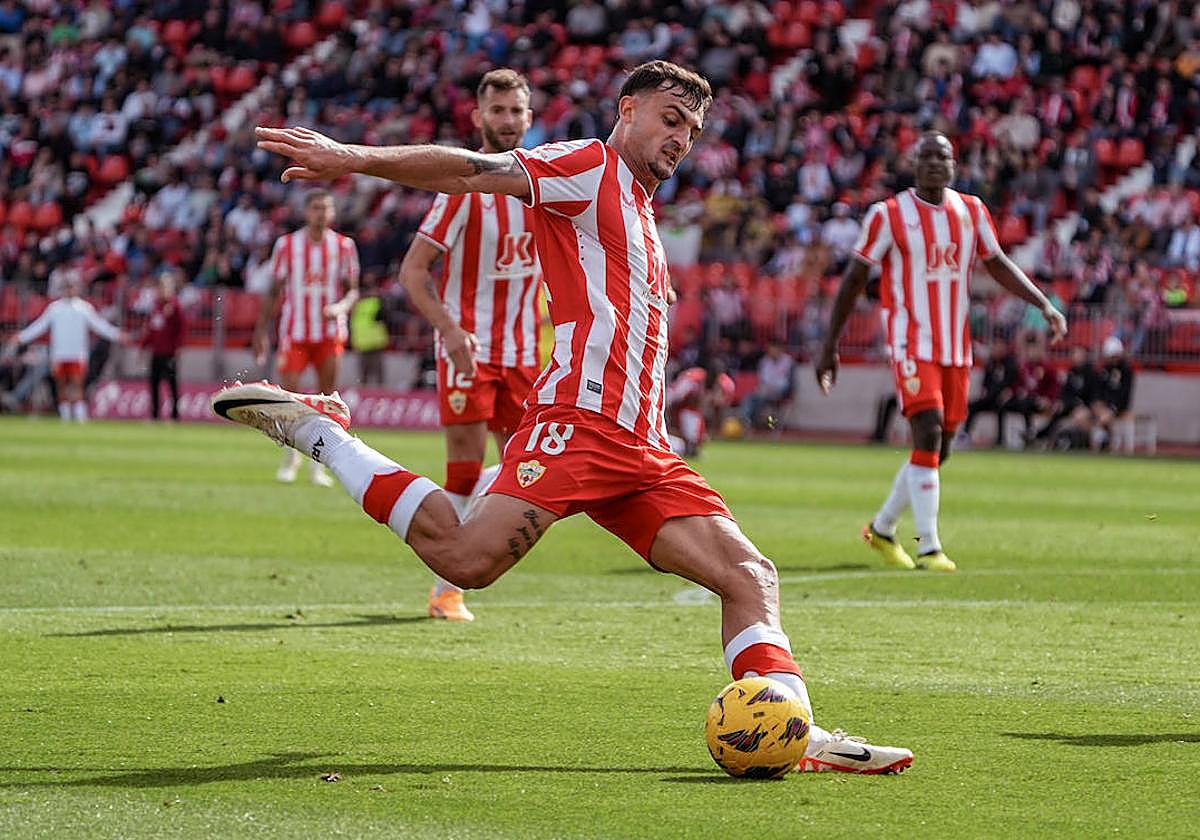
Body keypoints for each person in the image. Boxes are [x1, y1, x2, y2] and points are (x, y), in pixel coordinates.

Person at [222, 60, 913, 774]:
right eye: (669, 120)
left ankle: (796, 732)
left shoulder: (644, 214)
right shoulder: (588, 166)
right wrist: (352, 158)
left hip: (644, 448)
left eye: (693, 131)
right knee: (466, 559)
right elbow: (470, 170)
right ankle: (318, 432)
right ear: (627, 110)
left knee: (749, 574)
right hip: (578, 425)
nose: (681, 139)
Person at [816, 131, 1067, 573]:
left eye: (943, 156)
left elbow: (997, 263)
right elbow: (855, 278)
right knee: (928, 432)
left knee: (938, 448)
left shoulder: (971, 210)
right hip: (911, 340)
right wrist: (829, 345)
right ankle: (930, 548)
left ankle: (882, 528)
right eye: (926, 156)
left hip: (955, 344)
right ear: (914, 164)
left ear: (954, 165)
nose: (934, 163)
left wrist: (1042, 303)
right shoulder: (888, 214)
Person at [398, 68, 544, 623]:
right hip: (469, 351)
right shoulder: (463, 187)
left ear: (528, 118)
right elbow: (413, 272)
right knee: (464, 468)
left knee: (523, 467)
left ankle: (442, 540)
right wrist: (451, 331)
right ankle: (445, 590)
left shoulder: (542, 186)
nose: (507, 121)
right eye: (497, 111)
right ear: (478, 117)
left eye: (516, 111)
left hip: (525, 352)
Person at [254, 189, 360, 486]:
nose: (320, 213)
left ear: (333, 213)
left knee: (327, 399)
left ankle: (318, 465)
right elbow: (274, 290)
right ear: (306, 212)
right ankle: (290, 458)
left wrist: (341, 306)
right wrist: (261, 330)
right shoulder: (287, 245)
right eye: (315, 208)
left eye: (325, 208)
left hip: (328, 333)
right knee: (289, 397)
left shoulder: (344, 246)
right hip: (295, 332)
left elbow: (353, 289)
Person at [5, 277, 126, 421]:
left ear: (76, 289)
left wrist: (116, 334)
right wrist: (22, 337)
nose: (69, 290)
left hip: (78, 353)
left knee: (77, 384)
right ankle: (66, 417)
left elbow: (99, 325)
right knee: (61, 385)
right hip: (59, 353)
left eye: (72, 287)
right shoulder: (55, 308)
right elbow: (40, 326)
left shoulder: (83, 308)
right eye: (66, 287)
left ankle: (80, 417)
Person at [142, 268, 187, 421]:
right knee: (154, 383)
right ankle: (155, 415)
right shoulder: (155, 305)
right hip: (156, 351)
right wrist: (144, 346)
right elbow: (150, 328)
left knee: (172, 384)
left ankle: (175, 415)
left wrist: (179, 346)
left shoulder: (175, 306)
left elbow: (182, 328)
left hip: (169, 352)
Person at [665, 361, 735, 457]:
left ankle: (690, 445)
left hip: (695, 412)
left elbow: (721, 406)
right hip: (679, 409)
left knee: (698, 436)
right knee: (689, 416)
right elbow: (671, 398)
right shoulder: (691, 380)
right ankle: (686, 444)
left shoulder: (724, 385)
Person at [1032, 345, 1096, 448]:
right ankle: (1044, 438)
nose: (1076, 356)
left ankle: (1040, 436)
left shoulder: (1091, 373)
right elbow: (1064, 392)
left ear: (1084, 356)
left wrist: (1086, 408)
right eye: (1074, 354)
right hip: (1070, 405)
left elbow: (1093, 395)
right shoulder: (1071, 372)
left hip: (1084, 407)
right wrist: (1061, 401)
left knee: (1079, 417)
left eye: (1078, 354)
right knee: (1057, 411)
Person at [960, 337, 1019, 448]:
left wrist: (1009, 392)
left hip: (1004, 399)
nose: (997, 349)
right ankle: (965, 435)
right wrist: (985, 391)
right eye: (995, 346)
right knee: (972, 406)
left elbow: (1013, 382)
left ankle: (1001, 440)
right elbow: (986, 382)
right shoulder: (991, 363)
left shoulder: (1011, 363)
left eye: (1000, 346)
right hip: (990, 397)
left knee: (1002, 408)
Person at [738, 340, 796, 431]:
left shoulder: (788, 362)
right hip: (765, 389)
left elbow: (790, 383)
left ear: (780, 349)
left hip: (781, 391)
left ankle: (753, 422)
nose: (772, 352)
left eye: (774, 349)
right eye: (770, 349)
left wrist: (775, 389)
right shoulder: (764, 361)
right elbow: (762, 379)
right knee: (749, 397)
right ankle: (745, 419)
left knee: (760, 397)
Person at [1090, 336, 1134, 451]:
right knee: (1095, 414)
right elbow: (1100, 389)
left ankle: (1097, 446)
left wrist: (1112, 407)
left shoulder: (1126, 371)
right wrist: (1099, 402)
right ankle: (1107, 442)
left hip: (1119, 406)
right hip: (1105, 405)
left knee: (1103, 418)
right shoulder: (1105, 370)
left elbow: (1124, 393)